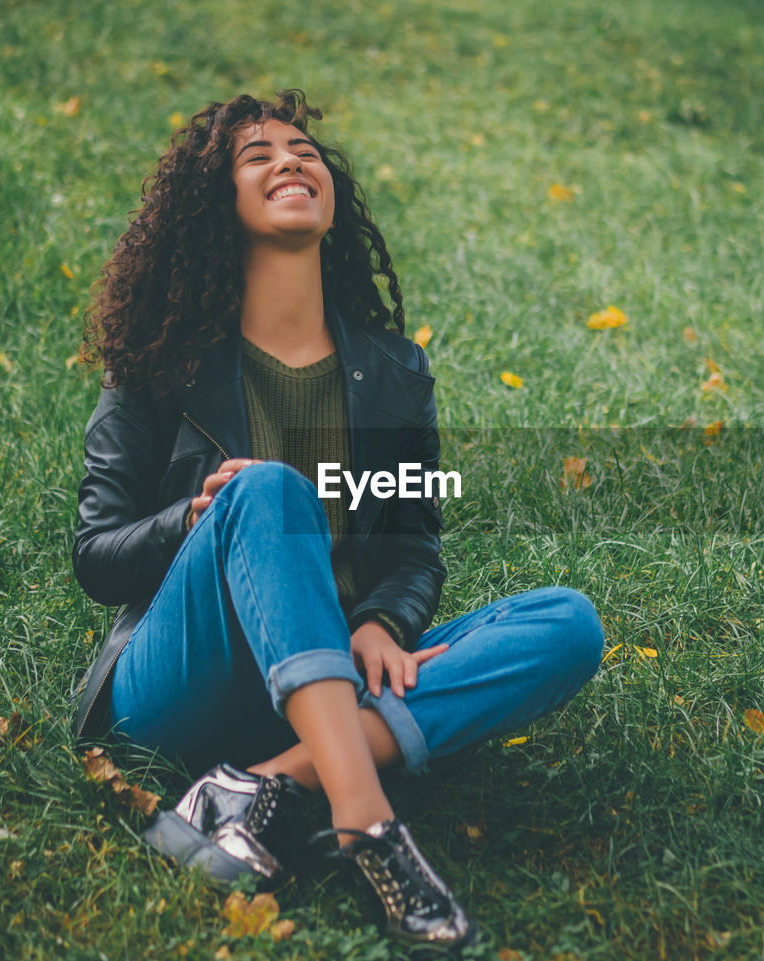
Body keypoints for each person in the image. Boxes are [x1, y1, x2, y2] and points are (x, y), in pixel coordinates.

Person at [70, 90, 604, 952]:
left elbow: (412, 543)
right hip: (183, 682)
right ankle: (367, 822)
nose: (291, 159)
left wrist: (383, 620)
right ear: (219, 208)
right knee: (271, 493)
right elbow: (96, 555)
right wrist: (194, 517)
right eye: (258, 155)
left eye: (303, 148)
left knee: (565, 625)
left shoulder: (392, 373)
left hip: (330, 680)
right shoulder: (161, 359)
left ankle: (262, 785)